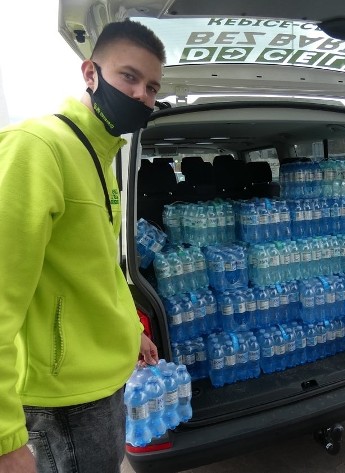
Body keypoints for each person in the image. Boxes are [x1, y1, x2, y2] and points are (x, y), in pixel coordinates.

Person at [0, 20, 166, 473]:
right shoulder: (38, 148)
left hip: (101, 384)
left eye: (151, 87)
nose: (140, 96)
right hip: (63, 400)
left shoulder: (101, 154)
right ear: (90, 73)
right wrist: (4, 438)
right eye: (128, 77)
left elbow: (97, 266)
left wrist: (129, 330)